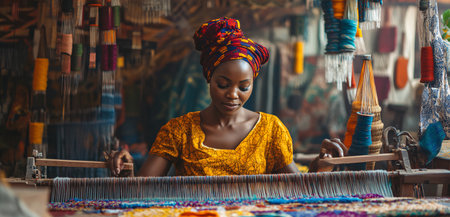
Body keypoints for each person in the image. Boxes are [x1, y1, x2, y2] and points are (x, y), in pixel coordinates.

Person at [111, 17, 346, 177]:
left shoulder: (271, 130)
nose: (233, 95)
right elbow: (141, 191)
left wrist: (320, 165)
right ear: (209, 78)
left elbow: (300, 190)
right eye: (223, 84)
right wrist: (128, 168)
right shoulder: (179, 132)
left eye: (244, 87)